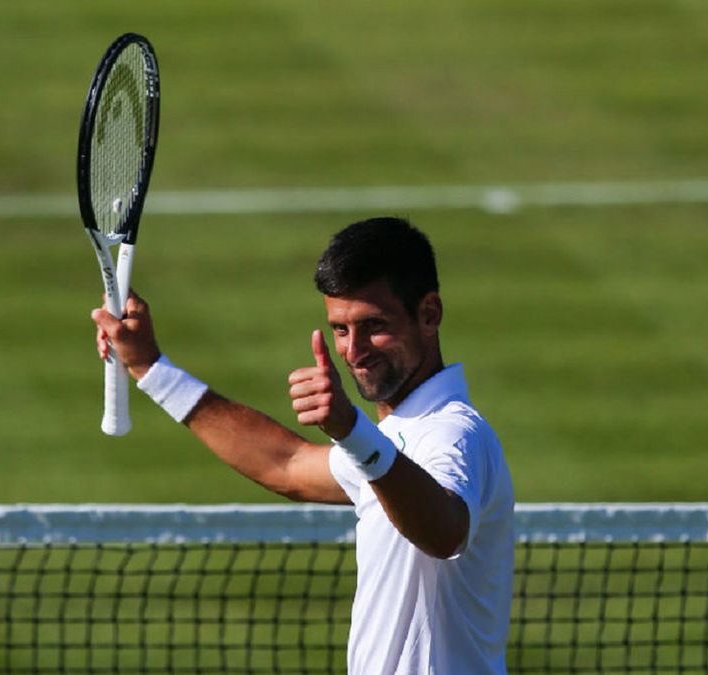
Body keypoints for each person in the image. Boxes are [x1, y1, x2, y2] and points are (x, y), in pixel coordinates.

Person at [91, 216, 515, 674]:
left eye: (374, 325)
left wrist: (351, 429)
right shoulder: (397, 439)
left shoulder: (452, 434)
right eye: (340, 329)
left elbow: (444, 532)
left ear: (429, 314)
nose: (353, 351)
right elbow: (287, 464)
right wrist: (152, 368)